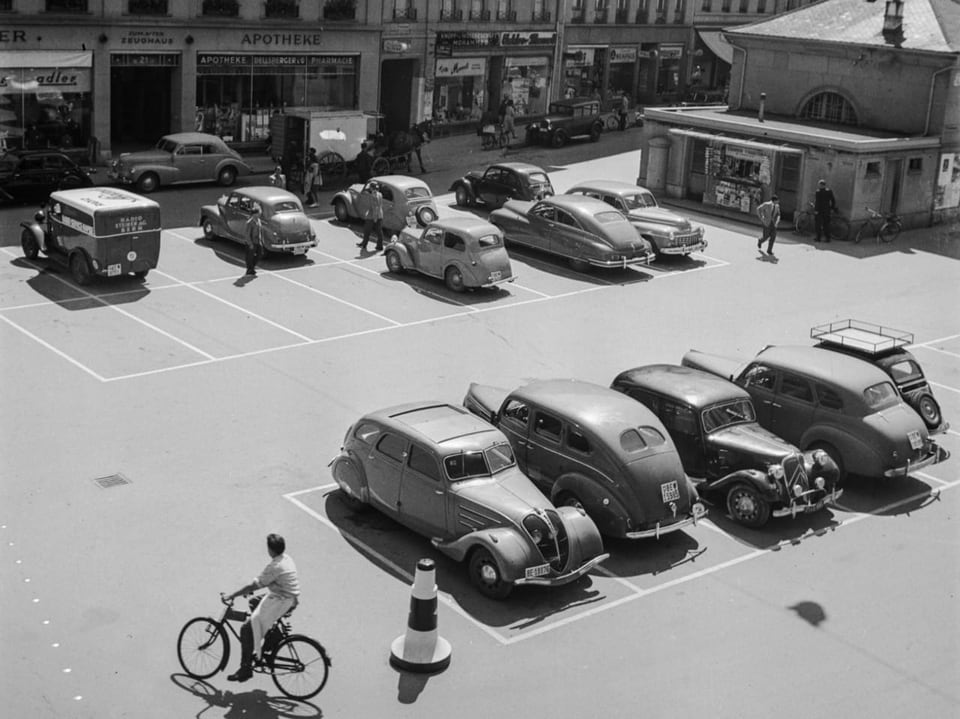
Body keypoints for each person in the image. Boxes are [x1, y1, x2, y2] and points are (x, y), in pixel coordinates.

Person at [224, 533, 301, 683]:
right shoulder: (287, 559)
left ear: (270, 550)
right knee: (254, 602)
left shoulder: (275, 566)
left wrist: (233, 595)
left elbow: (256, 584)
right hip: (288, 598)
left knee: (246, 630)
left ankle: (245, 669)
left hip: (280, 601)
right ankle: (267, 635)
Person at [358, 182, 385, 252]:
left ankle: (364, 244)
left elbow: (375, 207)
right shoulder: (380, 194)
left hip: (372, 216)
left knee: (367, 230)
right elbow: (380, 205)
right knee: (379, 231)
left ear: (371, 188)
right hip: (380, 215)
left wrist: (374, 218)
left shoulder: (372, 196)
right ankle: (380, 246)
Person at [244, 203, 264, 276]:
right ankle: (250, 269)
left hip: (258, 241)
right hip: (251, 242)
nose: (260, 214)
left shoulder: (258, 220)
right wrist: (250, 244)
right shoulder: (250, 223)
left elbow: (260, 231)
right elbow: (247, 235)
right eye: (259, 213)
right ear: (254, 214)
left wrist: (261, 240)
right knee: (250, 256)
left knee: (260, 254)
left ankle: (252, 267)